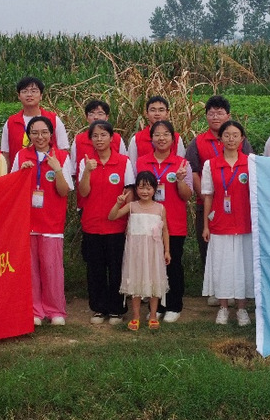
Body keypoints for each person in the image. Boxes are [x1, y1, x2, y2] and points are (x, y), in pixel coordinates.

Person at [14, 116, 74, 327]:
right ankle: (35, 310)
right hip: (28, 221)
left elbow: (64, 191)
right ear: (29, 135)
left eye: (44, 132)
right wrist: (22, 173)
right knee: (31, 269)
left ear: (51, 134)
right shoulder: (21, 155)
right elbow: (13, 189)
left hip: (52, 223)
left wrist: (57, 169)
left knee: (51, 268)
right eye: (35, 133)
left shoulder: (62, 156)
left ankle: (55, 310)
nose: (40, 137)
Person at [78, 120, 135, 325]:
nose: (99, 139)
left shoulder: (123, 162)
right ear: (90, 140)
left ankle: (117, 309)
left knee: (117, 267)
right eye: (95, 136)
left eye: (103, 135)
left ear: (112, 138)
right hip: (92, 224)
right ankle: (98, 308)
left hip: (116, 225)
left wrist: (126, 220)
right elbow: (83, 193)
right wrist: (87, 171)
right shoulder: (86, 162)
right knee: (96, 269)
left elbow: (130, 193)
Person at [135, 120, 193, 322]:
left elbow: (187, 196)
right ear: (151, 138)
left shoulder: (182, 164)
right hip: (147, 222)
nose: (161, 138)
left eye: (166, 134)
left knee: (172, 264)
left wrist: (180, 180)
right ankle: (157, 306)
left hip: (174, 222)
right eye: (157, 134)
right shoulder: (142, 162)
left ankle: (174, 305)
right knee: (152, 265)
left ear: (173, 138)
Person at [202, 120, 253, 327]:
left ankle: (241, 308)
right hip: (220, 222)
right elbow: (208, 195)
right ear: (220, 138)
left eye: (235, 135)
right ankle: (223, 307)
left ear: (242, 139)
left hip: (244, 222)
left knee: (243, 266)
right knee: (221, 265)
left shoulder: (251, 163)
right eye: (227, 135)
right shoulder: (210, 164)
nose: (231, 139)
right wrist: (206, 225)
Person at [108, 171, 171, 331]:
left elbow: (165, 231)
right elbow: (112, 217)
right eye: (141, 187)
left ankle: (153, 315)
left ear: (154, 189)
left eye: (148, 188)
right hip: (135, 252)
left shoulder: (160, 208)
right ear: (136, 189)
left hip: (154, 252)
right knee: (135, 282)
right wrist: (118, 203)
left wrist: (167, 251)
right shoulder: (131, 207)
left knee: (154, 281)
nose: (145, 191)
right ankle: (136, 316)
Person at [1, 77, 68, 167]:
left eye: (34, 91)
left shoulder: (54, 120)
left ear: (41, 95)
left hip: (49, 172)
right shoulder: (11, 122)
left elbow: (63, 150)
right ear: (19, 96)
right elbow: (6, 154)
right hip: (21, 172)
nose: (29, 95)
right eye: (24, 91)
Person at [127, 96, 186, 167]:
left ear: (167, 113)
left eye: (161, 110)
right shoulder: (137, 139)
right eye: (153, 110)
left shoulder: (176, 138)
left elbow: (182, 164)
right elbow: (132, 167)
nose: (157, 114)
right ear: (146, 113)